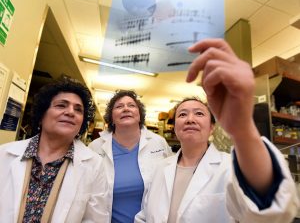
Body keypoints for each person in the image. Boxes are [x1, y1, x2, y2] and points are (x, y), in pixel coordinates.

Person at [135, 38, 299, 223]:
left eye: (199, 113)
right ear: (174, 128)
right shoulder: (160, 168)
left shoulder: (228, 167)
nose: (190, 119)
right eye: (182, 115)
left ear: (212, 126)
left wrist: (241, 127)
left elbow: (274, 212)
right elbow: (144, 215)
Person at [0, 78, 109, 222]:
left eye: (78, 109)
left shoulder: (94, 165)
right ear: (41, 115)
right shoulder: (5, 154)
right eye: (61, 105)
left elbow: (95, 219)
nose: (70, 112)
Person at [89, 89, 173, 222]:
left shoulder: (158, 143)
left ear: (139, 115)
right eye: (119, 106)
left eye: (131, 105)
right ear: (111, 118)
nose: (126, 109)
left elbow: (170, 183)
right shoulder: (95, 147)